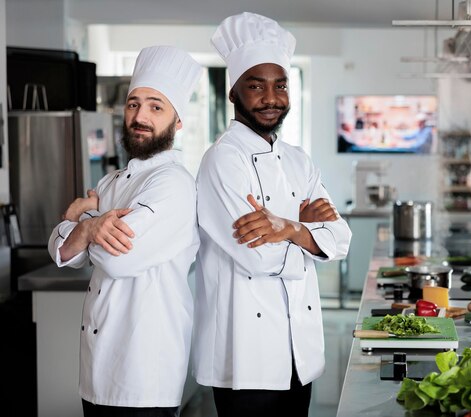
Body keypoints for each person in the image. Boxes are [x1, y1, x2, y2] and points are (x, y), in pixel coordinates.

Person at [192, 12, 352, 417]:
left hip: (300, 352)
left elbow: (342, 239)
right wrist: (312, 236)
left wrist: (290, 229)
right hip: (247, 356)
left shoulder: (298, 159)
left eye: (280, 85)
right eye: (255, 85)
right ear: (233, 93)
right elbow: (258, 257)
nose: (271, 98)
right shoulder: (222, 161)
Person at [47, 45, 202, 417]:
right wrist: (88, 228)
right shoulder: (112, 180)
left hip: (143, 375)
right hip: (95, 369)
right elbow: (60, 250)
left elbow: (116, 259)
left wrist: (81, 227)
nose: (140, 116)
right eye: (134, 104)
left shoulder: (174, 185)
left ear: (177, 123)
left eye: (155, 106)